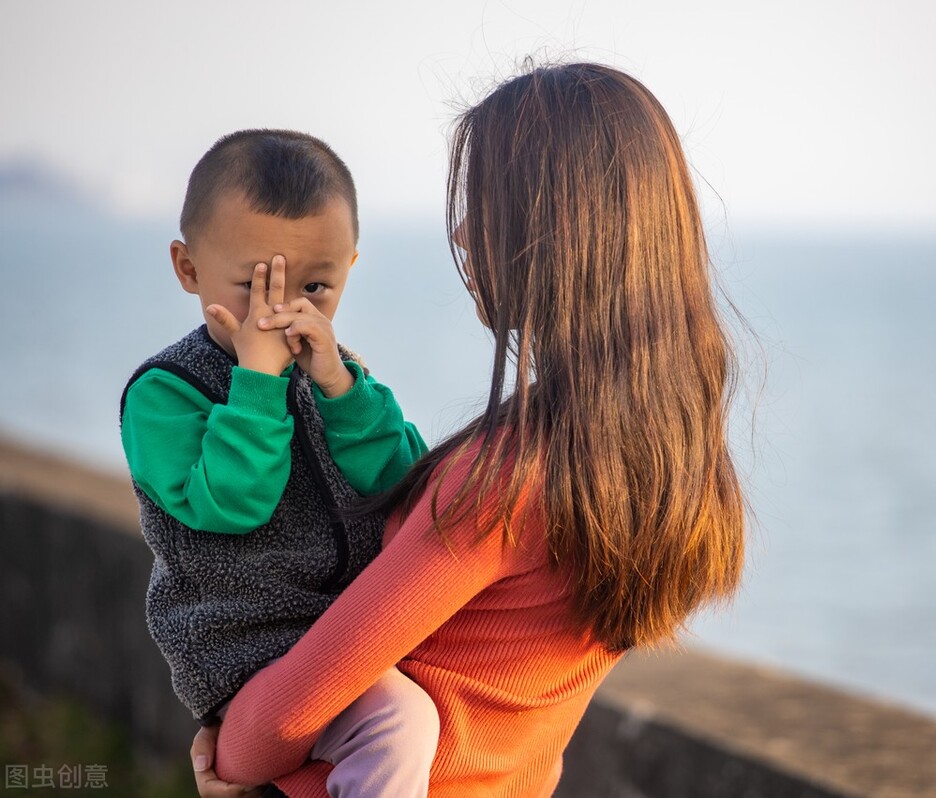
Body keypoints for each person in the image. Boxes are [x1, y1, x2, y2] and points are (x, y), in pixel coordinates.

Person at [193, 62, 747, 798]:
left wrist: (223, 748)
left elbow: (287, 711)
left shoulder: (505, 483)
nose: (462, 231)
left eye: (486, 204)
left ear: (558, 232)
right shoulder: (669, 468)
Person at [120, 129, 438, 797]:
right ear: (188, 268)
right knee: (401, 723)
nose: (282, 312)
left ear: (351, 265)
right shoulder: (163, 395)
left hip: (348, 638)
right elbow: (233, 505)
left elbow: (408, 492)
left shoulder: (339, 378)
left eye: (316, 287)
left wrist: (347, 394)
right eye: (254, 286)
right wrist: (258, 388)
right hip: (247, 650)